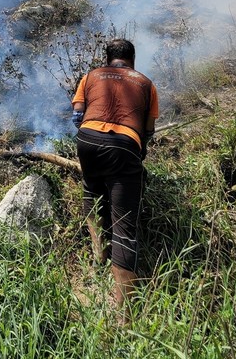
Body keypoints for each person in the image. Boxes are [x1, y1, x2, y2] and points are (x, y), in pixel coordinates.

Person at [71, 38, 159, 316]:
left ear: (108, 58)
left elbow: (77, 114)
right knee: (124, 225)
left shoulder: (91, 76)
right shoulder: (145, 83)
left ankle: (99, 257)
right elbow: (148, 130)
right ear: (132, 60)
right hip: (124, 145)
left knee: (91, 189)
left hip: (87, 140)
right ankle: (124, 315)